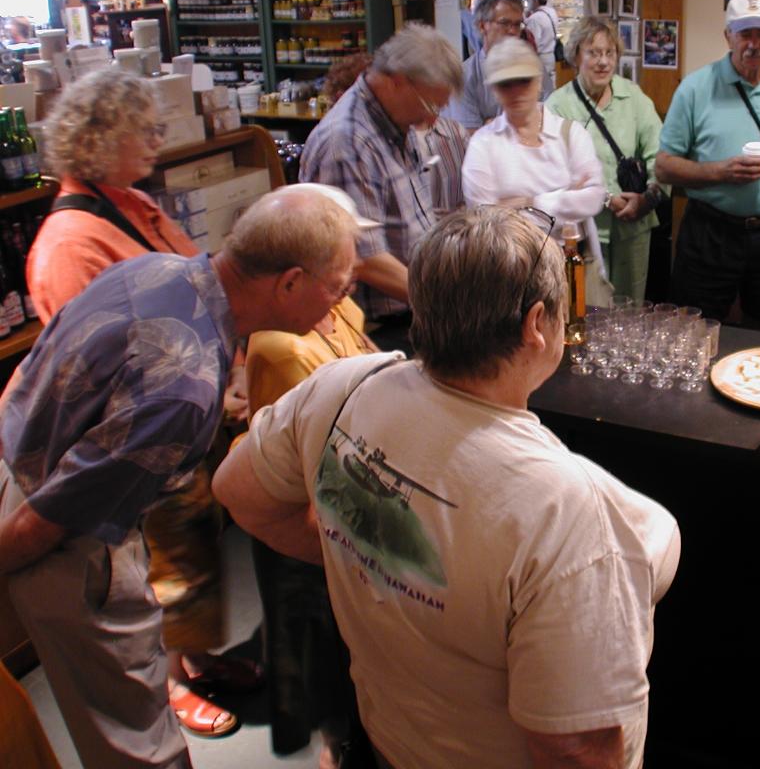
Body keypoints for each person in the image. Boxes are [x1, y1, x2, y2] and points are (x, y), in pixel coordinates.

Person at [212, 206, 681, 769]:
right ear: (537, 324)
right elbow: (577, 747)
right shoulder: (569, 511)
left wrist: (366, 549)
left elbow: (241, 494)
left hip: (383, 740)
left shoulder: (339, 388)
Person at [0, 187, 360, 769]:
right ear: (290, 282)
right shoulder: (185, 391)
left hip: (22, 466)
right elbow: (50, 521)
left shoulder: (154, 268)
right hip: (63, 540)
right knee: (136, 741)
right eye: (337, 287)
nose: (341, 301)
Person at [24, 68, 258, 740]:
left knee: (191, 552)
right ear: (98, 140)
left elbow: (201, 286)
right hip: (137, 442)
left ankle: (197, 657)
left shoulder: (132, 205)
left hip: (184, 425)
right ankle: (174, 679)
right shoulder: (71, 243)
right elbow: (96, 371)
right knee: (157, 568)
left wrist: (232, 368)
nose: (159, 137)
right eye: (144, 129)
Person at [243, 184, 380, 769]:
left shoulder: (338, 305)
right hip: (306, 518)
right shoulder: (284, 349)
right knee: (316, 646)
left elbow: (370, 358)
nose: (352, 276)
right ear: (297, 277)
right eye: (340, 269)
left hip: (341, 495)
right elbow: (301, 462)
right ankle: (335, 745)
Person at [300, 22, 464, 352]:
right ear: (397, 82)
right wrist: (445, 305)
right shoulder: (348, 143)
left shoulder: (397, 123)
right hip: (379, 328)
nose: (433, 122)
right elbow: (364, 259)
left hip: (413, 307)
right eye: (431, 107)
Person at [657, 0, 760, 327]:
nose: (753, 43)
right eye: (745, 33)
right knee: (692, 328)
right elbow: (664, 167)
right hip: (711, 231)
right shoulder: (695, 88)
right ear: (728, 35)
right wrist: (720, 172)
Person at [462, 37, 608, 282]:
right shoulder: (483, 144)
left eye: (524, 81)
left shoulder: (571, 134)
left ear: (539, 81)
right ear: (494, 89)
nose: (516, 91)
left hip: (569, 260)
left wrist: (528, 202)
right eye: (506, 84)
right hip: (511, 268)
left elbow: (593, 199)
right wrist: (566, 196)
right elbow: (484, 219)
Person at [545, 15, 666, 302]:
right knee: (587, 309)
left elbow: (660, 154)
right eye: (594, 53)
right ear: (576, 56)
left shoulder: (633, 97)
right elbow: (552, 173)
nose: (603, 62)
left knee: (631, 309)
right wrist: (604, 198)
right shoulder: (558, 105)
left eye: (609, 53)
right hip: (583, 230)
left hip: (634, 226)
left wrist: (648, 197)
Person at [446, 0, 526, 131]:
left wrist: (491, 124)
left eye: (517, 25)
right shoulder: (464, 76)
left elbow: (543, 123)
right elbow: (470, 136)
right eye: (504, 23)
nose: (513, 31)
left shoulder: (531, 68)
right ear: (482, 26)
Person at [524, 0, 559, 98]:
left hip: (540, 58)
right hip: (551, 54)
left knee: (539, 91)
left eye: (528, 0)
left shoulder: (535, 18)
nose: (527, 4)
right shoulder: (552, 12)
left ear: (535, 1)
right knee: (550, 87)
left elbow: (533, 42)